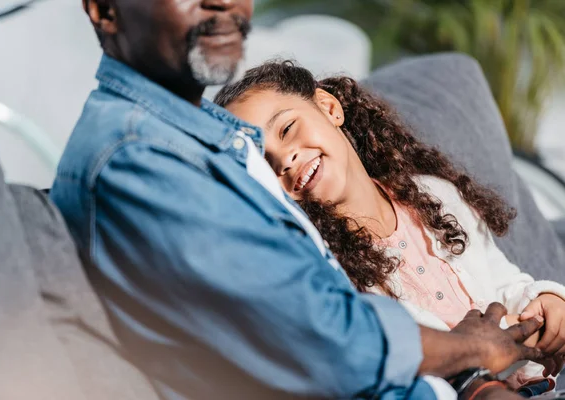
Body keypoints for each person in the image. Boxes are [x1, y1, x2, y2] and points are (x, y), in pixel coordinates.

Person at [51, 1, 544, 398]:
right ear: (104, 10)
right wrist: (469, 352)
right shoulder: (141, 160)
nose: (220, 4)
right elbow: (333, 343)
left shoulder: (205, 139)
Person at [214, 60, 565, 391]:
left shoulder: (436, 195)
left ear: (328, 107)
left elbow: (506, 282)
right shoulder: (327, 271)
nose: (285, 159)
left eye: (287, 128)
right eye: (263, 163)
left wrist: (546, 300)